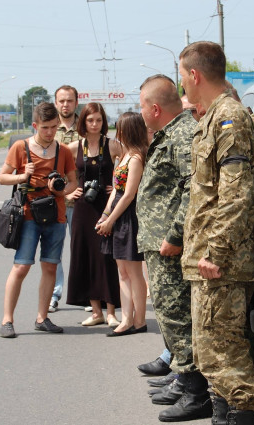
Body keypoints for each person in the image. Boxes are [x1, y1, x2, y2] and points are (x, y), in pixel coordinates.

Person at [179, 41, 254, 425]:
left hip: (222, 263)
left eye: (183, 76)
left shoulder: (228, 118)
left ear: (194, 75)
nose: (183, 84)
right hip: (211, 260)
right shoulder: (215, 116)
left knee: (224, 353)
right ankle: (225, 414)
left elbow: (237, 195)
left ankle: (240, 416)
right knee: (212, 352)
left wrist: (216, 252)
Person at [137, 74, 212, 422]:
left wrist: (175, 235)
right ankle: (184, 381)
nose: (140, 113)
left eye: (142, 106)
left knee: (177, 316)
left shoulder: (182, 135)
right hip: (159, 243)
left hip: (169, 246)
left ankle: (196, 393)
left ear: (154, 108)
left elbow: (192, 188)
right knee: (171, 316)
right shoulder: (169, 133)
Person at [0, 102, 77, 338]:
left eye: (53, 127)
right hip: (28, 215)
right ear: (35, 125)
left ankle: (42, 318)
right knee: (21, 266)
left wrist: (61, 191)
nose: (50, 132)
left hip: (56, 215)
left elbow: (73, 182)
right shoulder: (20, 148)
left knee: (50, 266)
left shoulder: (63, 151)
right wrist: (23, 176)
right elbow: (2, 177)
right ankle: (7, 320)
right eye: (45, 127)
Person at [65, 102, 122, 328]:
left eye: (98, 120)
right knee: (86, 257)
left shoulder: (113, 145)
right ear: (83, 122)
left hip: (106, 207)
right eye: (90, 120)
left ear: (104, 122)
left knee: (107, 258)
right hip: (82, 209)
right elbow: (58, 174)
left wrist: (117, 187)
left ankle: (111, 312)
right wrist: (68, 193)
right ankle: (96, 311)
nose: (95, 124)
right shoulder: (73, 147)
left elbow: (133, 165)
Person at [97, 112, 149, 337]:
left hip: (129, 216)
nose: (116, 133)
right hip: (118, 214)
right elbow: (115, 191)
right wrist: (105, 215)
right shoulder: (125, 155)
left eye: (119, 129)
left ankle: (139, 320)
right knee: (123, 271)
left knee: (134, 271)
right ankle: (127, 319)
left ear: (128, 130)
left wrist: (111, 219)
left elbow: (129, 195)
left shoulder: (136, 157)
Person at [49, 85, 80, 313]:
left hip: (82, 201)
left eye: (69, 100)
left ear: (76, 102)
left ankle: (86, 296)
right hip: (55, 202)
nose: (65, 105)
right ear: (55, 103)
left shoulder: (86, 126)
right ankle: (53, 294)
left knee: (82, 251)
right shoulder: (50, 129)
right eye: (61, 101)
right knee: (54, 252)